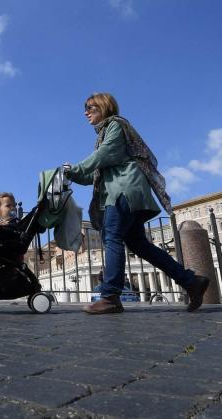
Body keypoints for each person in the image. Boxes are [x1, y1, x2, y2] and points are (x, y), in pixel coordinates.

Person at [63, 92, 209, 314]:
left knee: (112, 236)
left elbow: (104, 154)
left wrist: (76, 168)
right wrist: (71, 173)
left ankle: (110, 296)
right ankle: (191, 281)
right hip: (127, 191)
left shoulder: (115, 125)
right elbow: (95, 172)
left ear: (104, 107)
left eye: (90, 108)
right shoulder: (104, 133)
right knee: (139, 244)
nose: (85, 112)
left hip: (123, 191)